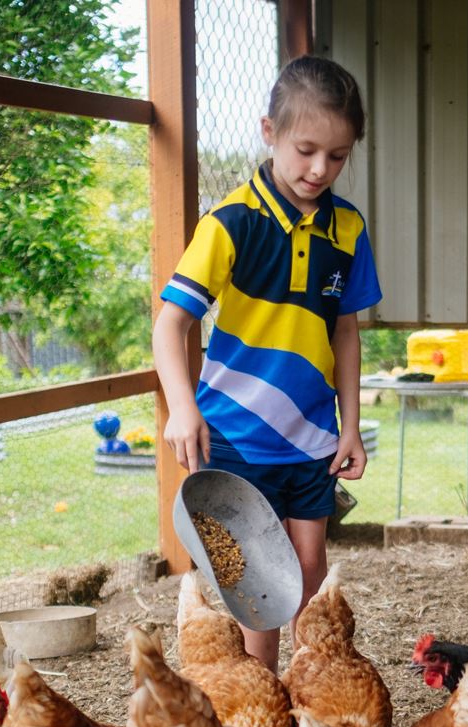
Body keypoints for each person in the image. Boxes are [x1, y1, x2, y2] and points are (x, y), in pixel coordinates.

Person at [153, 56, 380, 673]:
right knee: (260, 585)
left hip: (312, 436)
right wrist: (182, 408)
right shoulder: (230, 224)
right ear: (269, 132)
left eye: (337, 156)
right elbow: (171, 324)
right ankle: (264, 702)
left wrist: (350, 424)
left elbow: (346, 331)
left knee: (308, 570)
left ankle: (306, 697)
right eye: (306, 149)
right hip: (237, 435)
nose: (319, 169)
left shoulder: (349, 228)